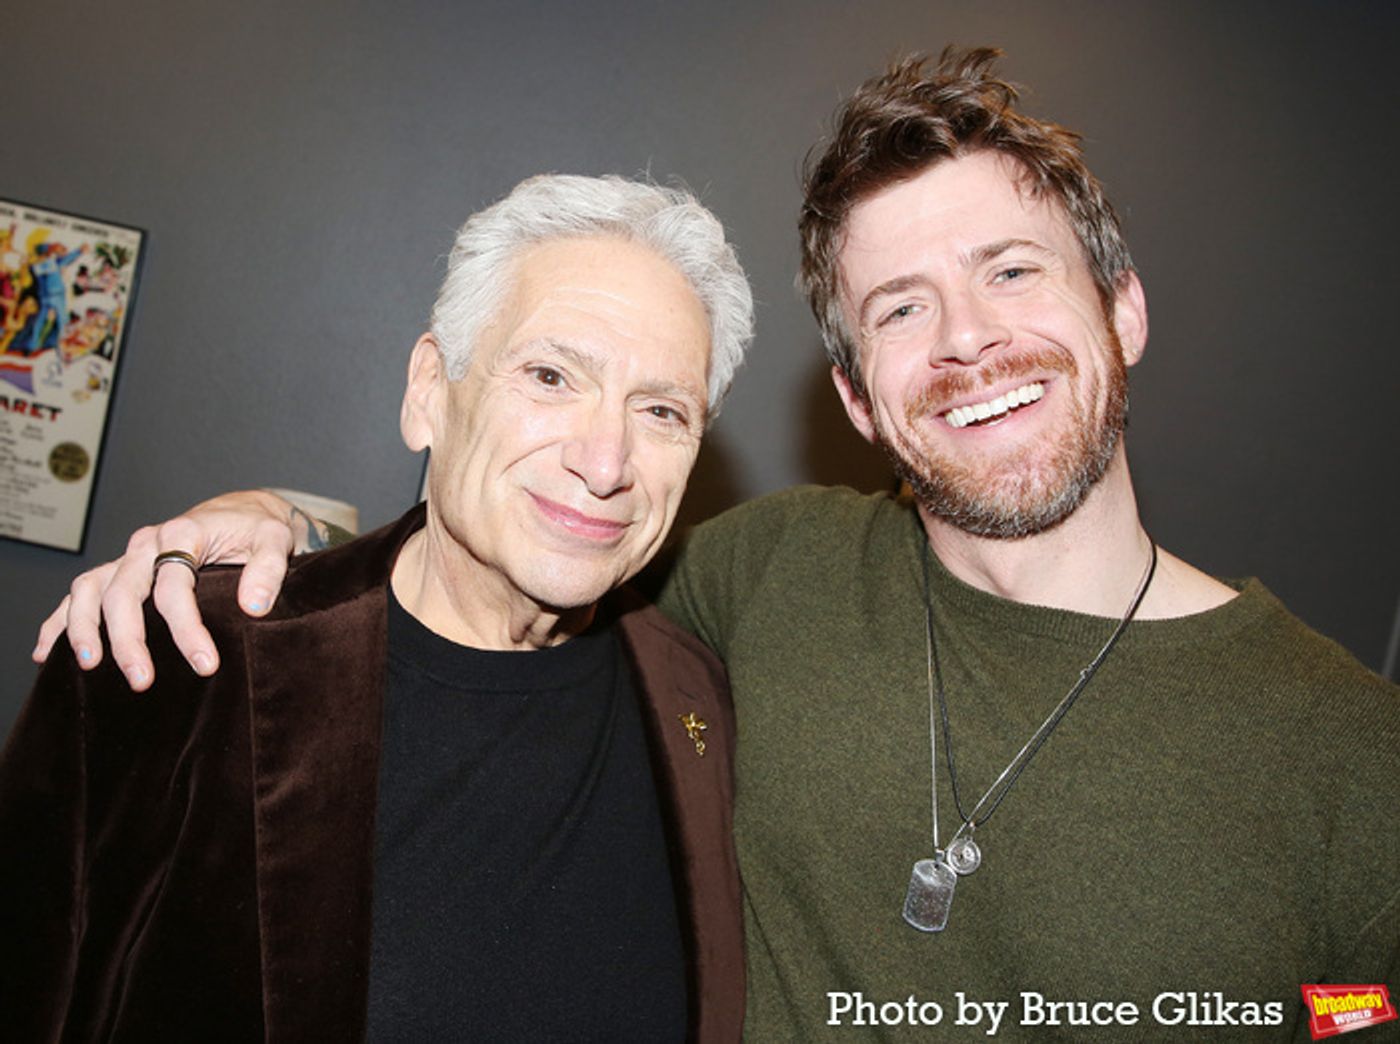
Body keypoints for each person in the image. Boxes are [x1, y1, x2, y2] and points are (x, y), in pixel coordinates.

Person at [28, 48, 1400, 1040]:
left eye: (1013, 271)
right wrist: (267, 528)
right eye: (902, 307)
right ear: (856, 397)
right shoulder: (777, 578)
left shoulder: (1349, 755)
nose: (969, 340)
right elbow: (509, 536)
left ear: (1126, 314)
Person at [2, 174, 755, 1041]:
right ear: (430, 390)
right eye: (550, 376)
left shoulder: (703, 699)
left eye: (661, 410)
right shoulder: (173, 654)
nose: (605, 459)